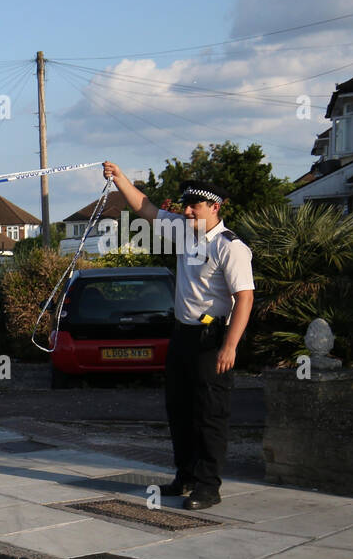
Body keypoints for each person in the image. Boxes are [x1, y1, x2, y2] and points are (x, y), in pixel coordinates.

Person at [100, 163, 254, 510]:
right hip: (183, 335)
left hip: (211, 339)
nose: (185, 211)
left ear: (215, 207)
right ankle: (184, 476)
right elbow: (145, 208)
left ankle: (207, 486)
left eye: (193, 206)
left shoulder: (231, 248)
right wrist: (119, 177)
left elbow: (245, 297)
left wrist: (230, 345)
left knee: (209, 414)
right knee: (180, 411)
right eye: (185, 204)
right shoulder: (186, 232)